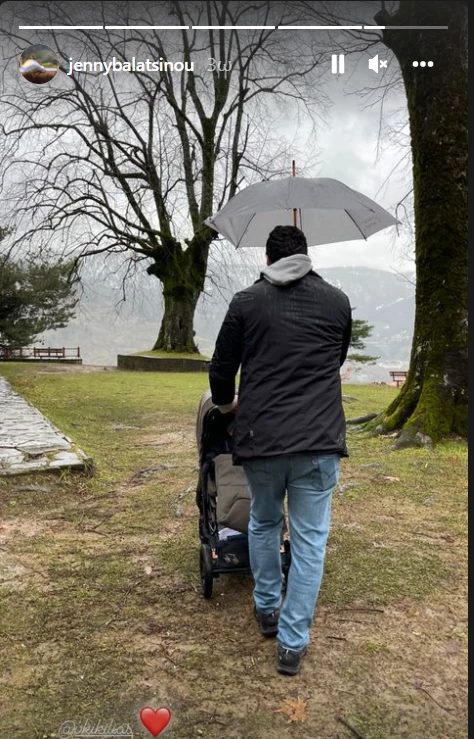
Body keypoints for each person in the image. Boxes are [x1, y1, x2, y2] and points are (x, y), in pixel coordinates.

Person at [209, 225, 352, 676]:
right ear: (307, 256)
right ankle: (292, 644)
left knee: (264, 522)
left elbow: (221, 368)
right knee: (310, 543)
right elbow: (337, 357)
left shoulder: (246, 302)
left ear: (268, 260)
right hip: (319, 442)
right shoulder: (337, 301)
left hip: (262, 441)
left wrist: (228, 404)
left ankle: (267, 608)